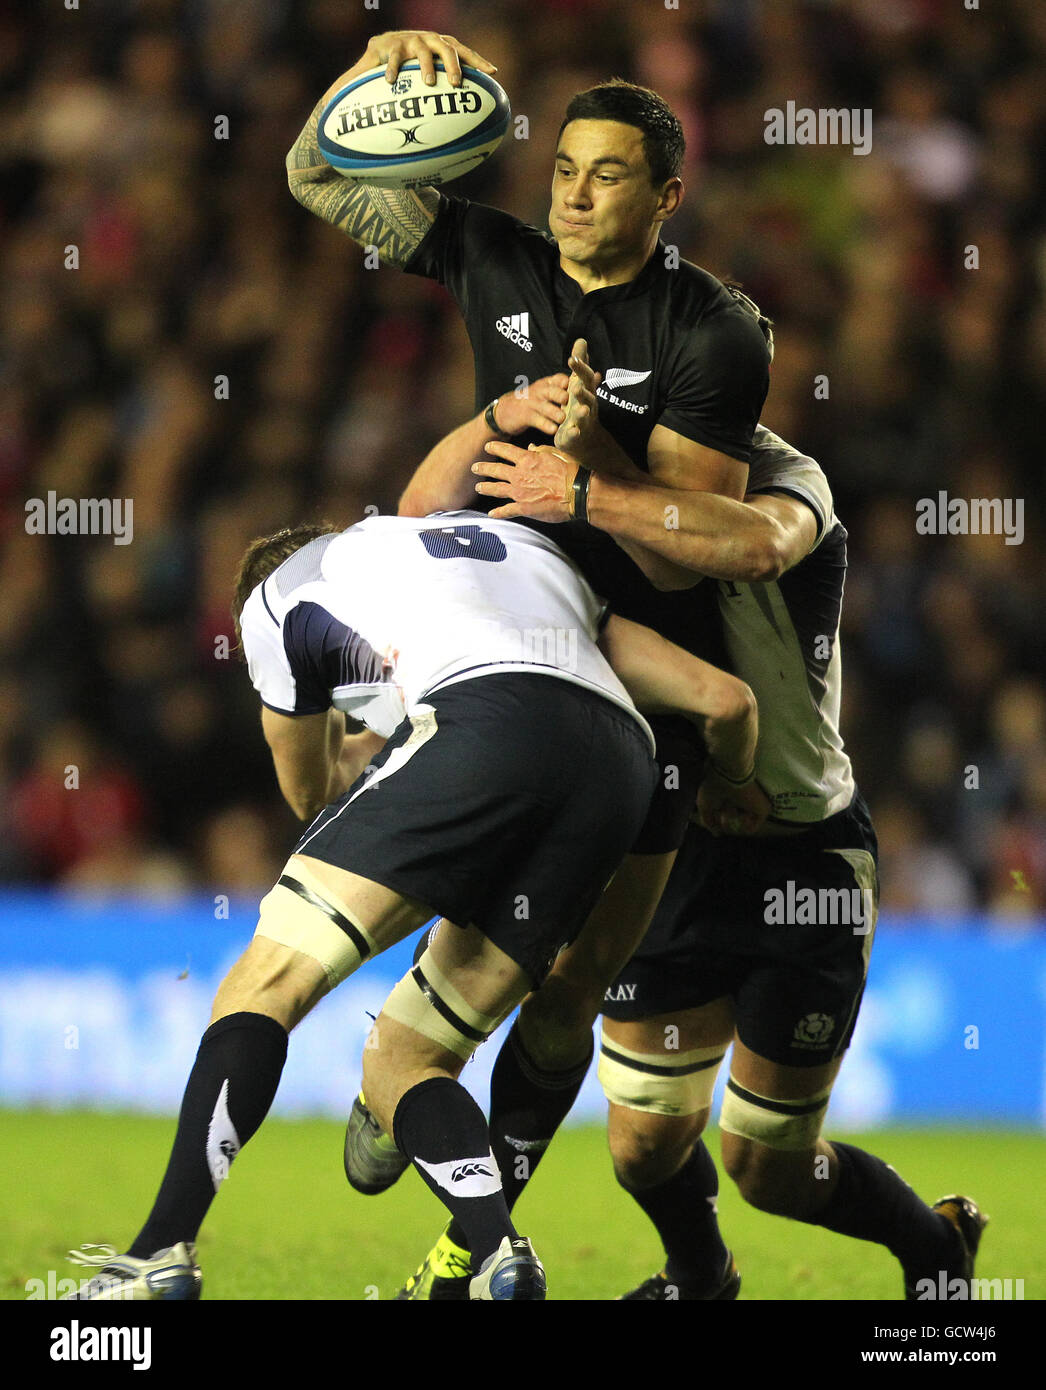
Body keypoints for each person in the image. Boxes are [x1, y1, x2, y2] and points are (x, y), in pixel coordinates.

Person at [286, 30, 776, 1294]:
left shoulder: (710, 331)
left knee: (571, 988)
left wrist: (593, 467)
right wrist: (372, 70)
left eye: (606, 175)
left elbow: (692, 558)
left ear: (666, 195)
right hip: (501, 639)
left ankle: (471, 1232)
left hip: (647, 669)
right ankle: (413, 1060)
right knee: (483, 914)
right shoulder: (491, 254)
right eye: (562, 166)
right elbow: (313, 178)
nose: (569, 191)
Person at [65, 508, 764, 1301]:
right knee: (407, 1057)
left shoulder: (276, 598)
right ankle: (499, 1256)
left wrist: (367, 760)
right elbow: (727, 702)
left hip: (480, 724)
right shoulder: (515, 550)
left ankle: (160, 1250)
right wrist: (735, 787)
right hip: (619, 767)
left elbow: (305, 791)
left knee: (265, 983)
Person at [387, 425, 986, 1301]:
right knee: (641, 1145)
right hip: (673, 854)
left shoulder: (784, 482)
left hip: (803, 857)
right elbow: (418, 520)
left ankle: (930, 1247)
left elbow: (750, 549)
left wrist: (589, 483)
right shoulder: (574, 485)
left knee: (765, 1162)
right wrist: (505, 416)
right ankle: (702, 1276)